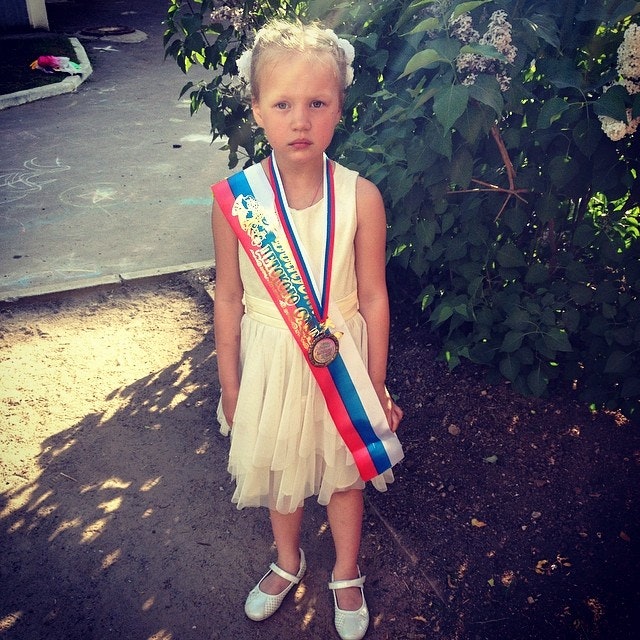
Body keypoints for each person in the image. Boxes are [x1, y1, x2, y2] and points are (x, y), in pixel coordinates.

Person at [210, 18, 403, 640]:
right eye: (283, 104)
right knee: (280, 469)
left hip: (343, 361)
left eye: (317, 103)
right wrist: (232, 386)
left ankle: (346, 571)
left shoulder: (361, 197)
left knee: (344, 471)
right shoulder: (237, 201)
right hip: (270, 361)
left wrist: (376, 385)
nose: (300, 120)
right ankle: (287, 560)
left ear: (340, 108)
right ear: (257, 110)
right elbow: (229, 299)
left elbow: (373, 296)